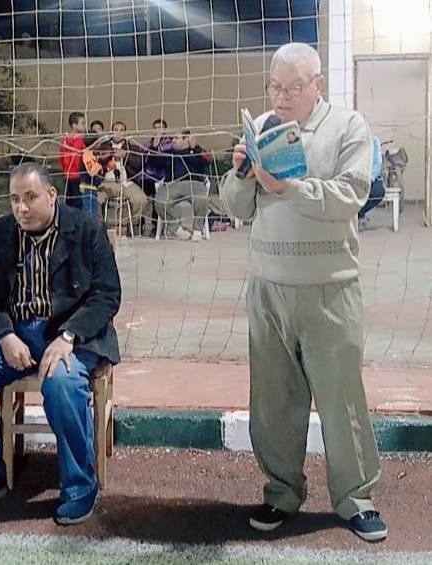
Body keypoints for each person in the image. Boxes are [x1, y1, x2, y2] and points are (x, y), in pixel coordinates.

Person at [219, 42, 387, 542]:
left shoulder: (349, 127)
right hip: (268, 288)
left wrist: (287, 186)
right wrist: (241, 173)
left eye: (295, 86)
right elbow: (237, 208)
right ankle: (281, 492)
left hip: (329, 289)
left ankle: (355, 498)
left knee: (341, 400)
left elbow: (350, 195)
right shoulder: (262, 128)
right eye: (276, 87)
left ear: (318, 85)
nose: (284, 96)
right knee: (273, 402)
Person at [0, 162, 120, 525]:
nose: (21, 208)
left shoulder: (87, 229)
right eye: (14, 199)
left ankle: (80, 486)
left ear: (52, 195)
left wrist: (68, 336)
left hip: (71, 334)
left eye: (30, 198)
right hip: (15, 333)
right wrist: (5, 335)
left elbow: (106, 294)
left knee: (62, 382)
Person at [151, 129, 213, 241]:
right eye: (172, 138)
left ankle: (197, 230)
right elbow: (153, 163)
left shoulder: (196, 151)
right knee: (159, 201)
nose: (172, 141)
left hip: (194, 184)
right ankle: (176, 229)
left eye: (176, 138)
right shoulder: (168, 153)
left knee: (201, 199)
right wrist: (154, 147)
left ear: (186, 140)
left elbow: (208, 161)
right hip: (172, 185)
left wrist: (194, 148)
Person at [96, 121, 150, 235]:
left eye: (121, 130)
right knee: (96, 199)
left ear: (125, 133)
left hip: (126, 182)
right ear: (111, 132)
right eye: (116, 129)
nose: (118, 132)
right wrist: (109, 155)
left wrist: (126, 155)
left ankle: (130, 225)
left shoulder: (133, 147)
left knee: (141, 200)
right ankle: (99, 229)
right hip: (107, 182)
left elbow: (139, 165)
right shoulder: (103, 146)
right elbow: (95, 162)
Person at [357, 135, 386, 231]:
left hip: (371, 177)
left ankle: (360, 213)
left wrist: (370, 179)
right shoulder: (350, 140)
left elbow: (377, 163)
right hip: (354, 176)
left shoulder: (373, 141)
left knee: (378, 192)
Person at [59, 112, 87, 209]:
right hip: (77, 175)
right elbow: (77, 159)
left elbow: (61, 157)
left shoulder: (65, 140)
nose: (85, 126)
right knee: (78, 203)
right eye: (83, 123)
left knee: (69, 201)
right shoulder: (78, 140)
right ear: (74, 125)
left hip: (67, 174)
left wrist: (65, 169)